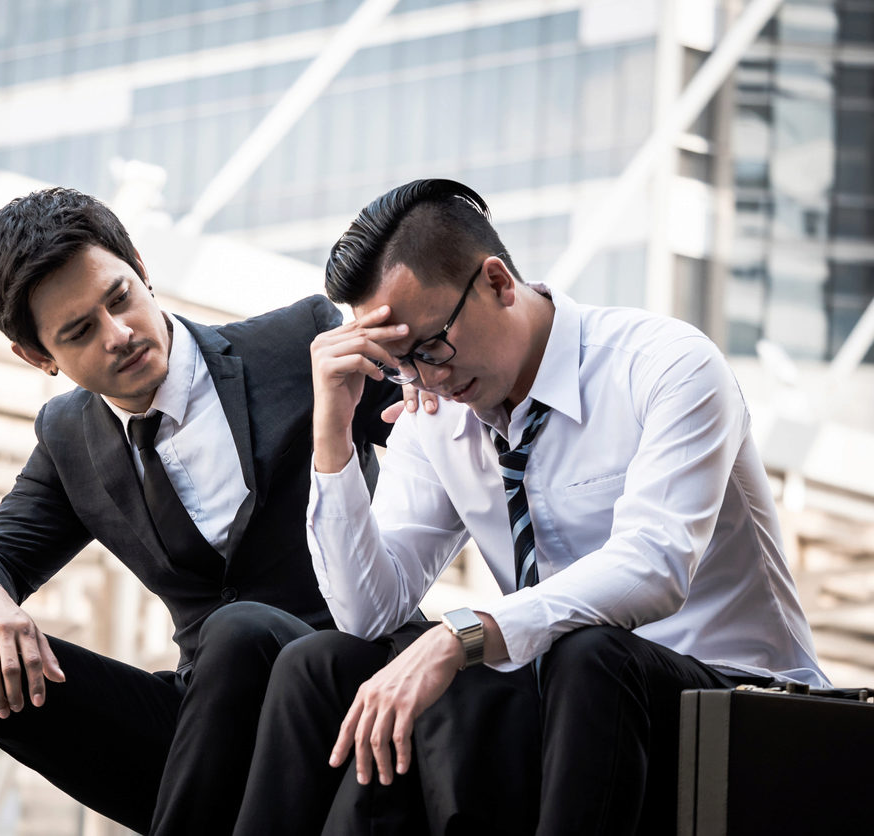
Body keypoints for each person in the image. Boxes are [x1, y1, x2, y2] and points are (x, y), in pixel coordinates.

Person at [234, 178, 828, 835]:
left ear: (496, 282)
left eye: (431, 346)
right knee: (320, 664)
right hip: (564, 706)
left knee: (589, 656)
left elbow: (653, 567)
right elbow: (366, 611)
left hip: (739, 704)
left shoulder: (667, 366)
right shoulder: (436, 416)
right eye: (398, 363)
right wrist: (333, 433)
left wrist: (458, 637)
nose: (426, 380)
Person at [0, 187, 406, 836]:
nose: (120, 335)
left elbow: (450, 430)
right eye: (80, 331)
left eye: (120, 298)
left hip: (344, 699)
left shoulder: (297, 343)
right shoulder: (69, 437)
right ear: (38, 357)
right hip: (202, 737)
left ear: (140, 266)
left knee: (238, 629)